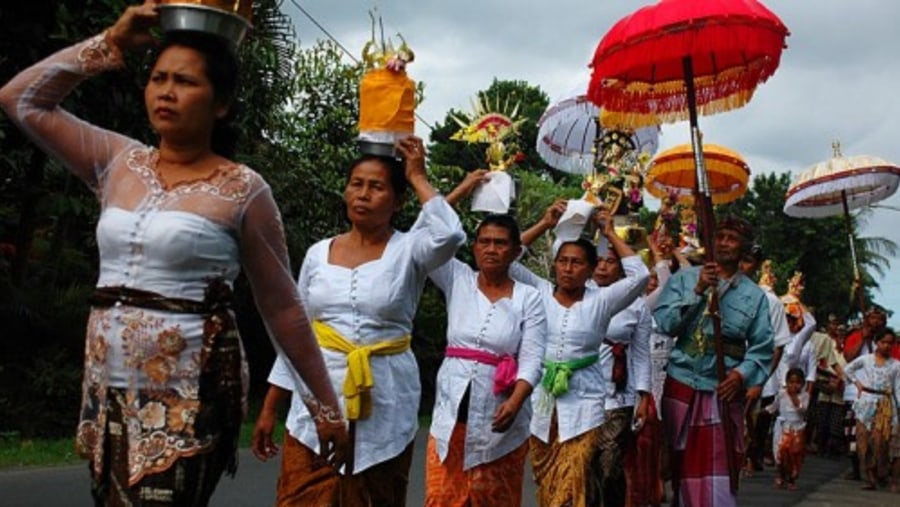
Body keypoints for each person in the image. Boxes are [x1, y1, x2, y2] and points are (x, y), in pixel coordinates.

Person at [0, 2, 349, 504]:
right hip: (106, 392)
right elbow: (21, 100)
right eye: (159, 78)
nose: (166, 91)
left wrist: (325, 405)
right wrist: (112, 43)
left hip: (191, 395)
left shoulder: (244, 190)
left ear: (222, 102)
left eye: (185, 82)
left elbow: (283, 307)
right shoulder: (118, 162)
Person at [252, 140, 466, 505]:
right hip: (316, 404)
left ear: (398, 201)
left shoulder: (411, 249)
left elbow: (450, 234)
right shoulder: (318, 253)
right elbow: (297, 333)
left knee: (376, 496)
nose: (363, 194)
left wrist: (416, 174)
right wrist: (271, 406)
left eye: (377, 186)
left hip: (387, 398)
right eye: (356, 183)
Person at [513, 200, 649, 507]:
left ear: (589, 269)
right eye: (562, 261)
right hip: (543, 403)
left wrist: (610, 233)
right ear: (554, 264)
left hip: (586, 403)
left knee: (574, 477)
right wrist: (545, 224)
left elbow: (639, 276)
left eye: (576, 263)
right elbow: (508, 259)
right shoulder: (538, 292)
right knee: (548, 482)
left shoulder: (601, 300)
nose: (568, 268)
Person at [424, 211, 547, 506]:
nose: (491, 249)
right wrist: (435, 183)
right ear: (475, 247)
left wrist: (516, 402)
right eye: (484, 242)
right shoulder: (457, 278)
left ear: (516, 252)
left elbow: (532, 358)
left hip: (500, 416)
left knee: (494, 499)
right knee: (441, 498)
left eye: (501, 243)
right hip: (450, 415)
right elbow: (429, 238)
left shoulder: (529, 298)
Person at [653, 216, 774, 507]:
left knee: (718, 470)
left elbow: (763, 348)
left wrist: (741, 376)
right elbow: (666, 323)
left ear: (744, 247)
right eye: (720, 236)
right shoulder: (684, 278)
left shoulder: (755, 296)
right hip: (681, 383)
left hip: (721, 389)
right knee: (673, 465)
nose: (725, 243)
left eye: (733, 238)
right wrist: (697, 291)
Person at [590, 233, 653, 507]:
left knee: (608, 465)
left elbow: (641, 354)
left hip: (619, 397)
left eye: (611, 262)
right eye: (599, 261)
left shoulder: (637, 305)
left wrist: (644, 396)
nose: (603, 267)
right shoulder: (579, 295)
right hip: (582, 394)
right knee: (584, 466)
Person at [738, 247, 792, 474]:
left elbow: (778, 346)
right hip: (716, 372)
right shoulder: (716, 289)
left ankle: (748, 459)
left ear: (756, 266)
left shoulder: (770, 301)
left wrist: (759, 382)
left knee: (746, 422)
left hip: (751, 375)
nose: (741, 265)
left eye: (748, 261)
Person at [845, 327, 900, 490]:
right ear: (877, 343)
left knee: (880, 441)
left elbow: (898, 388)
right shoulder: (866, 359)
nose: (886, 346)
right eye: (883, 342)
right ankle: (869, 477)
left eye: (890, 343)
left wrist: (897, 413)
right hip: (866, 402)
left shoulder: (896, 365)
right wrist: (857, 384)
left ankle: (880, 472)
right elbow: (848, 369)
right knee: (863, 442)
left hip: (885, 404)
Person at [766, 368, 809, 491]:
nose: (793, 385)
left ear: (802, 384)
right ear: (786, 382)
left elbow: (802, 409)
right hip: (782, 426)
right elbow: (774, 406)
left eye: (797, 383)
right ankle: (780, 474)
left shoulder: (805, 396)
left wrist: (794, 396)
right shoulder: (781, 394)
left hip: (797, 428)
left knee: (794, 454)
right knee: (780, 452)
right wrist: (765, 411)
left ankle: (791, 479)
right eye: (791, 382)